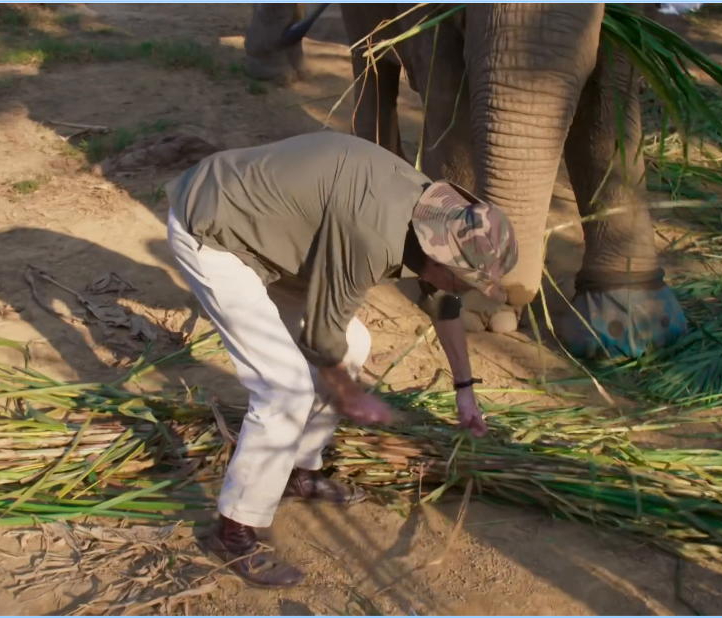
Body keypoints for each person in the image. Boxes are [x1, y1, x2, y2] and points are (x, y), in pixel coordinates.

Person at [164, 130, 518, 588]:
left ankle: (300, 472)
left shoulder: (435, 218)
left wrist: (465, 391)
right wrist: (350, 396)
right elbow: (320, 332)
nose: (465, 291)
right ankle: (234, 531)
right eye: (465, 280)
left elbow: (442, 302)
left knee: (356, 346)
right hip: (214, 230)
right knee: (284, 389)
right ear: (439, 258)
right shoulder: (372, 236)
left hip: (277, 240)